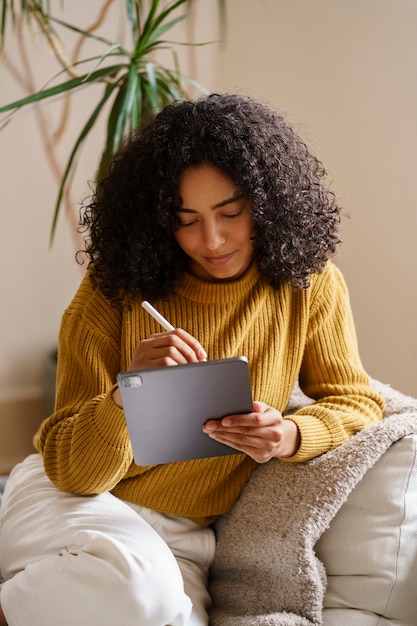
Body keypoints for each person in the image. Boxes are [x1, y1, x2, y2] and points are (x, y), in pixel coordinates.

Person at [0, 93, 384, 626]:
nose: (212, 240)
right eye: (186, 220)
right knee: (137, 592)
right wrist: (125, 394)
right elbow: (73, 472)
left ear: (268, 202)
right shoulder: (110, 294)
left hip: (185, 536)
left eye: (231, 212)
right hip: (72, 502)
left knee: (149, 603)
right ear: (159, 220)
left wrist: (290, 436)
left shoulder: (308, 285)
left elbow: (356, 399)